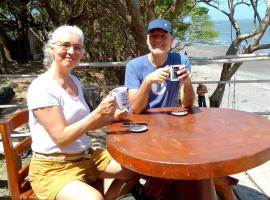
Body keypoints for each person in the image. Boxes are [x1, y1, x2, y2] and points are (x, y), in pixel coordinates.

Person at [27, 25, 138, 200]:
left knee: (135, 169)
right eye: (65, 45)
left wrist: (111, 117)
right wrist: (98, 112)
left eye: (77, 47)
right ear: (52, 48)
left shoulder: (74, 81)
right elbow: (61, 138)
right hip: (52, 167)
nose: (71, 51)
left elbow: (83, 124)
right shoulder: (42, 88)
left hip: (86, 157)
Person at [125, 18, 195, 113]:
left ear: (171, 40)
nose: (158, 40)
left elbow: (188, 104)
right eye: (153, 35)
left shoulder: (181, 61)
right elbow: (135, 109)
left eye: (163, 36)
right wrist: (147, 81)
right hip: (141, 121)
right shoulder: (133, 66)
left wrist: (187, 82)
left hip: (168, 119)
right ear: (147, 40)